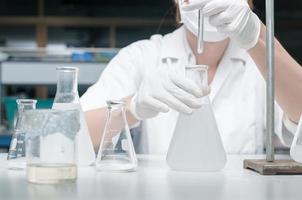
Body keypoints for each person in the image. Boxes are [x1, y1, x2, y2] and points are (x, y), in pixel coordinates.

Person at [80, 0, 302, 154]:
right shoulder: (141, 57)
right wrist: (132, 107)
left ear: (248, 4)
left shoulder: (259, 67)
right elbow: (68, 138)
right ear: (178, 4)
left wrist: (259, 37)